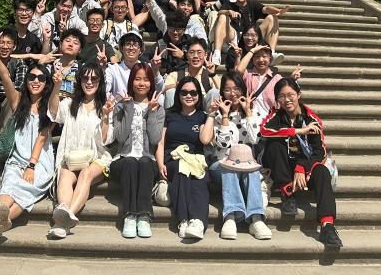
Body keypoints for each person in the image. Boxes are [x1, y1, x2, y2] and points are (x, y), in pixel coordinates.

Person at [0, 36, 55, 236]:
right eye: (32, 77)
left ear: (47, 83)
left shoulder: (51, 107)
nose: (36, 81)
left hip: (40, 162)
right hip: (17, 159)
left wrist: (32, 165)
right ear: (26, 81)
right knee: (10, 181)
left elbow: (43, 136)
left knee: (25, 190)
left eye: (41, 78)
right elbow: (4, 75)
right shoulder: (18, 101)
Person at [260, 77, 342, 249]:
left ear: (299, 94)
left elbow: (319, 153)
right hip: (281, 166)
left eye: (290, 95)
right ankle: (287, 193)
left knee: (322, 172)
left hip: (305, 168)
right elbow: (264, 131)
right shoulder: (275, 115)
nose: (286, 100)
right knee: (274, 145)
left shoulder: (311, 119)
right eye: (281, 96)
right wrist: (297, 131)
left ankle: (327, 225)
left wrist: (302, 167)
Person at [47, 61, 112, 239]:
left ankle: (64, 218)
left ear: (100, 82)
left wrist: (106, 117)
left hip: (96, 158)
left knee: (86, 174)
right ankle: (65, 222)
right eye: (85, 78)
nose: (89, 82)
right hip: (72, 157)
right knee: (65, 175)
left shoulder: (105, 105)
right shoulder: (69, 103)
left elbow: (105, 140)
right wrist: (57, 86)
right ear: (79, 80)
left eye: (94, 78)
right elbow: (53, 113)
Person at [207, 73, 270, 240]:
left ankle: (256, 219)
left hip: (247, 166)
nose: (232, 93)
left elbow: (256, 138)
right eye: (227, 90)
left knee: (252, 169)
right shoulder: (217, 115)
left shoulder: (254, 113)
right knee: (231, 168)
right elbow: (223, 144)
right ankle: (230, 217)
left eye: (236, 89)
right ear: (222, 92)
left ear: (242, 90)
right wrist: (225, 116)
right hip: (221, 164)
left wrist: (248, 111)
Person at [106, 62, 165, 238]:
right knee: (131, 161)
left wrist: (152, 113)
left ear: (151, 83)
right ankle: (130, 216)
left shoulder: (158, 109)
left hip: (147, 161)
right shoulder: (121, 106)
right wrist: (128, 109)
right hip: (122, 159)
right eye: (137, 79)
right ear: (131, 81)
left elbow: (154, 139)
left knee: (145, 162)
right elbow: (120, 138)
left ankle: (144, 216)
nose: (141, 83)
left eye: (146, 79)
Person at [156, 77, 215, 240]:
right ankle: (183, 220)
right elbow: (161, 142)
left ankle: (198, 221)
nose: (189, 96)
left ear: (199, 95)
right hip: (173, 157)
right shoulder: (169, 115)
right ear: (178, 95)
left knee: (201, 177)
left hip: (195, 159)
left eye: (193, 93)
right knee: (181, 170)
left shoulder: (202, 116)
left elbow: (205, 140)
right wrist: (160, 164)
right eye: (184, 92)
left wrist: (211, 115)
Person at [105, 31, 164, 100]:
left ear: (140, 50)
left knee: (161, 98)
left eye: (135, 45)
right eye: (128, 44)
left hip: (144, 104)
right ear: (122, 49)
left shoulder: (147, 67)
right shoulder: (113, 68)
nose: (131, 48)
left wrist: (156, 71)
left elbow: (160, 89)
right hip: (120, 104)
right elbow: (105, 89)